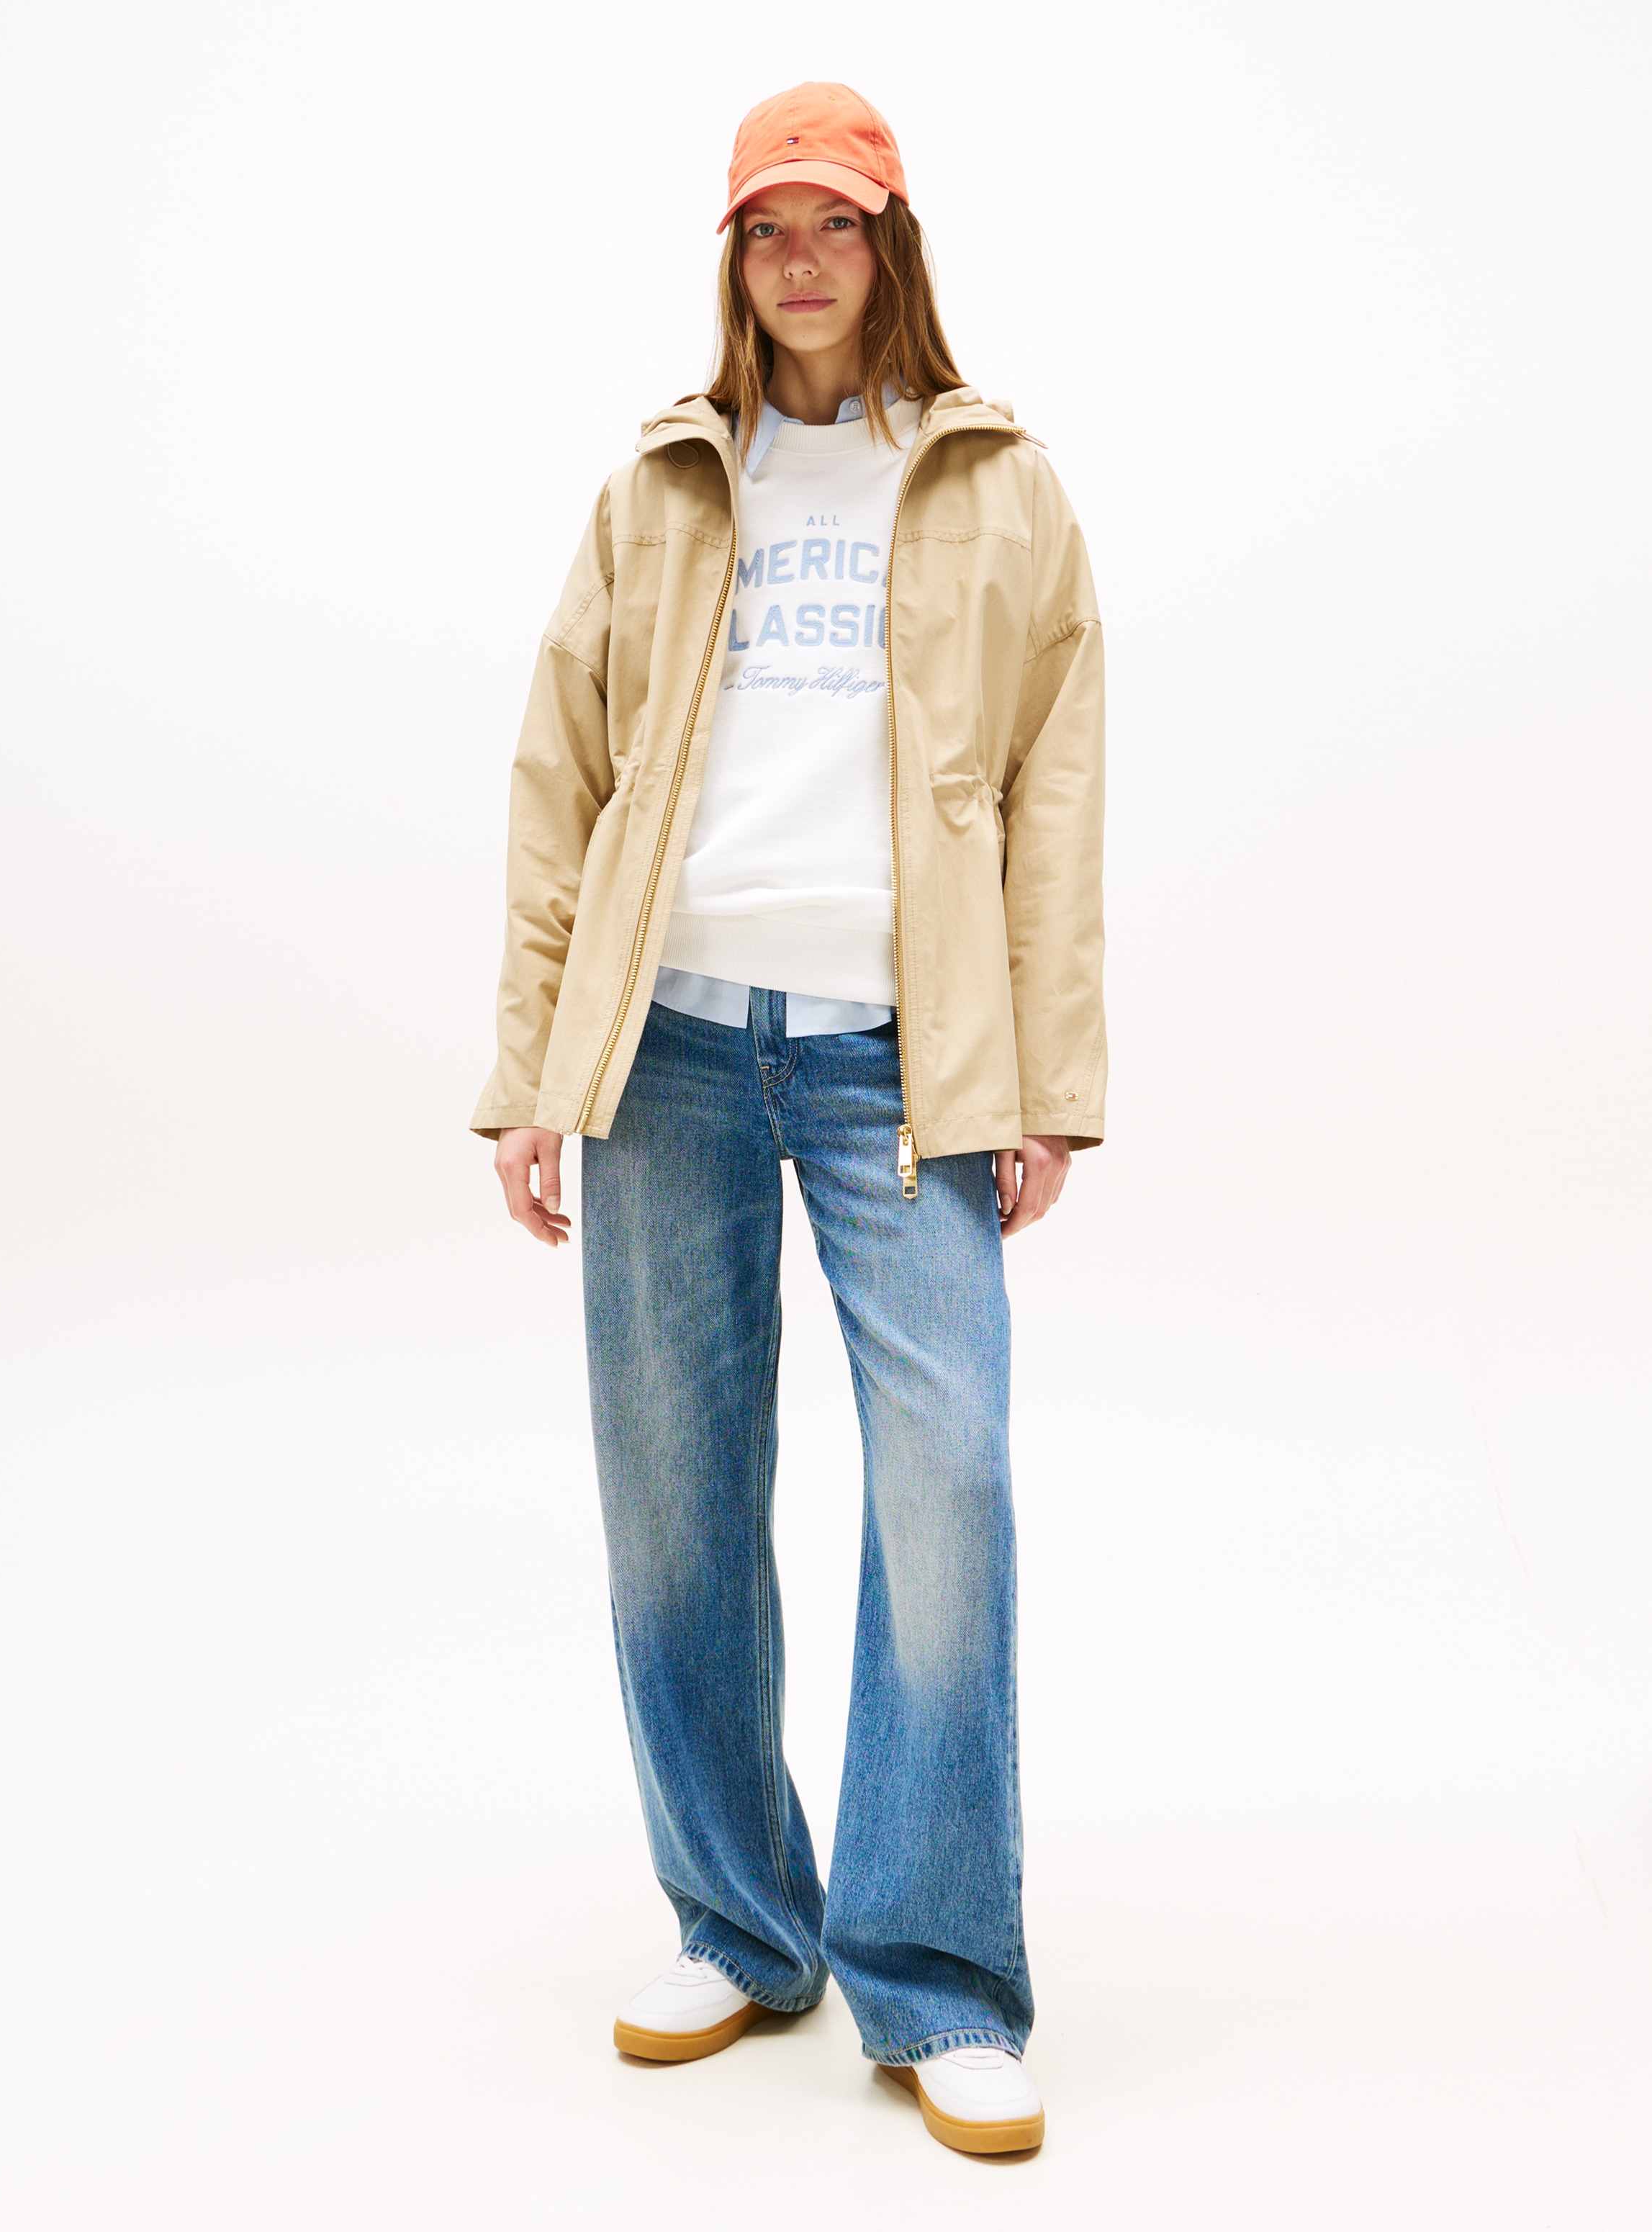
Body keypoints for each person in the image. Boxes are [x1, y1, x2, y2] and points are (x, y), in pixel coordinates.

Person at [472, 81, 1105, 2156]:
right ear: (735, 259)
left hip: (899, 1064)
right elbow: (561, 778)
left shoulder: (996, 484)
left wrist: (1048, 1085)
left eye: (835, 224)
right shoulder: (667, 481)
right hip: (665, 1047)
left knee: (948, 1491)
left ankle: (936, 1976)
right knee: (674, 1501)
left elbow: (1054, 793)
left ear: (891, 245)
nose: (801, 260)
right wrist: (534, 1070)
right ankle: (742, 1925)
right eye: (768, 228)